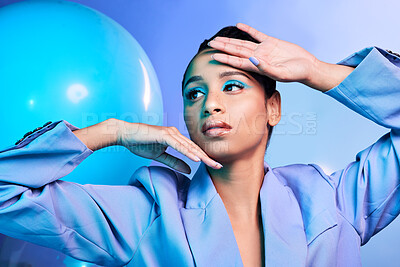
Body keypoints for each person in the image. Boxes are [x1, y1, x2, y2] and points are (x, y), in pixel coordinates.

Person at [0, 22, 399, 267]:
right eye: (194, 94)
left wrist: (315, 70)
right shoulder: (147, 212)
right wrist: (112, 131)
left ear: (272, 107)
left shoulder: (335, 202)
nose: (211, 104)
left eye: (231, 86)